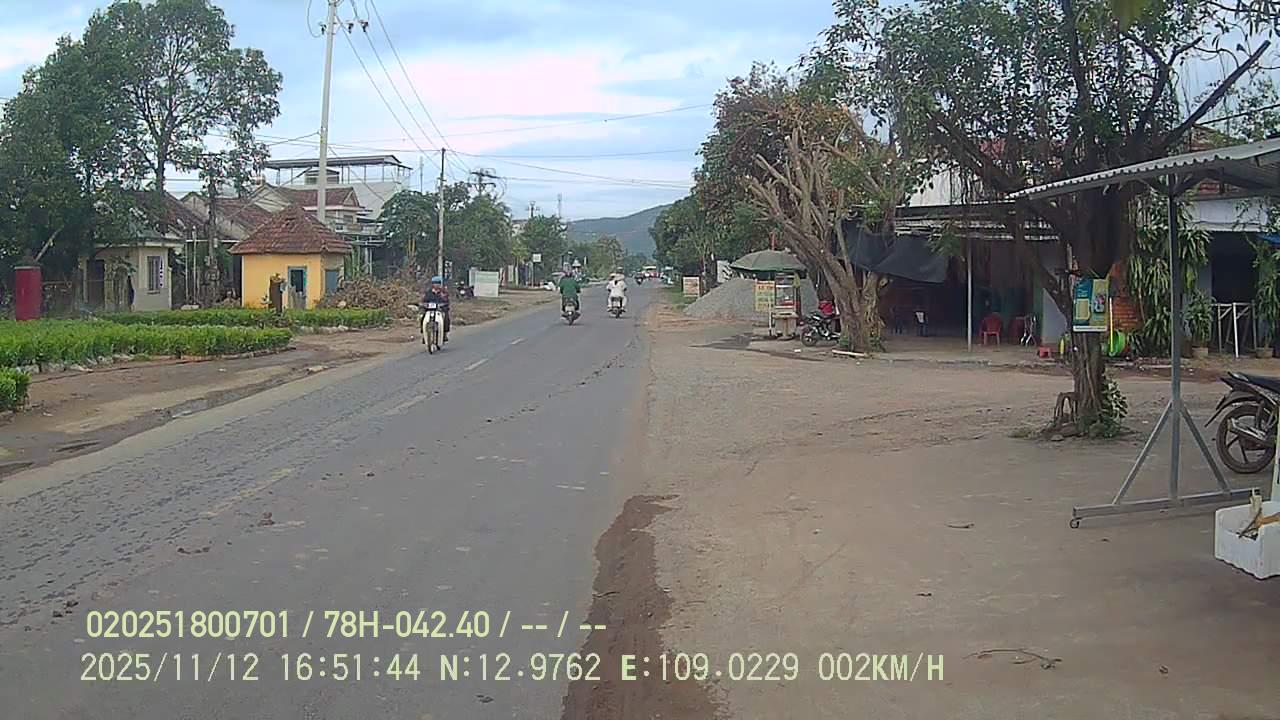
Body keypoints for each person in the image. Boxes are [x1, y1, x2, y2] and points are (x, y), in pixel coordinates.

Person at [422, 275, 451, 342]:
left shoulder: (443, 292)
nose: (436, 285)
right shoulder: (429, 292)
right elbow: (424, 300)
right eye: (435, 283)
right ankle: (424, 334)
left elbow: (446, 301)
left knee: (446, 318)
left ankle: (444, 334)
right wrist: (424, 305)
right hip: (429, 310)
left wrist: (443, 304)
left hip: (440, 310)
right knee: (423, 318)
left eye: (438, 283)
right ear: (432, 284)